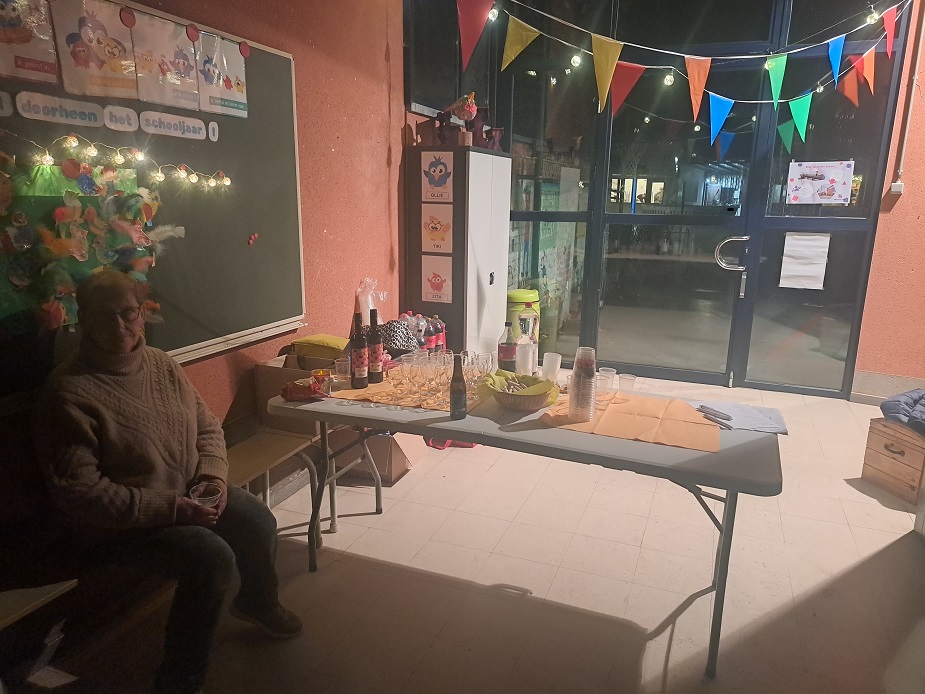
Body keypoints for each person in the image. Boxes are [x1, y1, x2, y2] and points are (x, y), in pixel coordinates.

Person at [33, 271, 302, 694]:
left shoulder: (161, 364)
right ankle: (180, 681)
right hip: (122, 526)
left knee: (258, 520)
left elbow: (208, 427)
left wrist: (212, 477)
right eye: (104, 316)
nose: (120, 326)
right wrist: (173, 508)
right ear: (83, 319)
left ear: (142, 314)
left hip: (188, 493)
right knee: (211, 559)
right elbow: (81, 494)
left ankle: (257, 602)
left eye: (128, 313)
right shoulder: (69, 392)